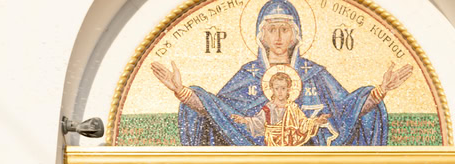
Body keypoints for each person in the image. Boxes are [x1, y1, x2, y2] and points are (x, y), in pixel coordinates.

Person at [151, 0, 413, 147]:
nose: (278, 37)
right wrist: (182, 92)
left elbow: (347, 111)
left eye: (284, 29)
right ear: (260, 35)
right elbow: (219, 114)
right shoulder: (247, 75)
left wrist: (380, 92)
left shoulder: (315, 74)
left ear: (295, 34)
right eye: (272, 29)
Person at [231, 70, 331, 147]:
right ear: (272, 89)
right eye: (276, 88)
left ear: (288, 89)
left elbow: (303, 124)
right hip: (272, 143)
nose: (280, 92)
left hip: (290, 142)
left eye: (283, 88)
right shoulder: (268, 108)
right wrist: (245, 120)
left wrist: (316, 121)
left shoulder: (293, 108)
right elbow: (258, 122)